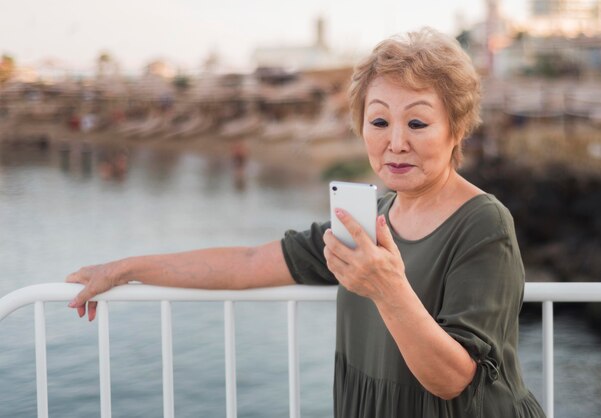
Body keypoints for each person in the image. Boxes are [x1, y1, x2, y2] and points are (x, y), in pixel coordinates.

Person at [67, 28, 545, 418]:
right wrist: (124, 268)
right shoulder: (368, 220)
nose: (396, 142)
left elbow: (454, 379)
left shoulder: (484, 224)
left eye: (417, 124)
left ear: (456, 128)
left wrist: (386, 288)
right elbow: (249, 263)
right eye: (379, 122)